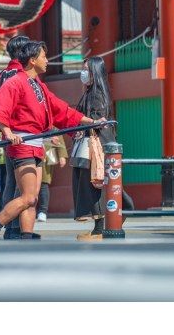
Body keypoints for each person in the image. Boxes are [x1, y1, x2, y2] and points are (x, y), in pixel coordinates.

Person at [0, 40, 100, 241]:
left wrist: (91, 122)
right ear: (32, 60)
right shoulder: (15, 81)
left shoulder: (38, 85)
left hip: (36, 144)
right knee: (28, 196)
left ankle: (25, 234)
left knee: (31, 198)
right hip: (22, 144)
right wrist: (8, 132)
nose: (47, 60)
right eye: (43, 56)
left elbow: (61, 110)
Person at [71, 56, 121, 239]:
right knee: (94, 183)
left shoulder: (96, 94)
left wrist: (85, 126)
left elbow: (97, 121)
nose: (83, 73)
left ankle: (100, 227)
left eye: (86, 69)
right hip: (94, 143)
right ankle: (105, 222)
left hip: (96, 145)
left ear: (95, 72)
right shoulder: (92, 91)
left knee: (94, 183)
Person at [0, 35, 29, 239]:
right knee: (24, 183)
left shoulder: (2, 75)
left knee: (10, 181)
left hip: (6, 132)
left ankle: (9, 227)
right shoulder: (23, 73)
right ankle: (15, 226)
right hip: (23, 133)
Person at [36, 132, 67, 223]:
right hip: (30, 152)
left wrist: (62, 155)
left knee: (43, 183)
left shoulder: (50, 120)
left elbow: (58, 135)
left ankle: (42, 211)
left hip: (47, 153)